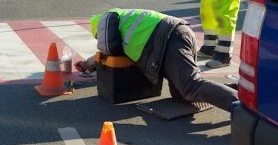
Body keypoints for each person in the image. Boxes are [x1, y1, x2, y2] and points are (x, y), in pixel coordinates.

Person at [75, 8, 238, 113]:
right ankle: (233, 91)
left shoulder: (106, 23)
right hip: (175, 35)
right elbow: (107, 54)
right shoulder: (118, 20)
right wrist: (87, 65)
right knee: (183, 96)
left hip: (170, 39)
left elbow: (107, 52)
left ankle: (242, 107)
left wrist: (89, 64)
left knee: (190, 87)